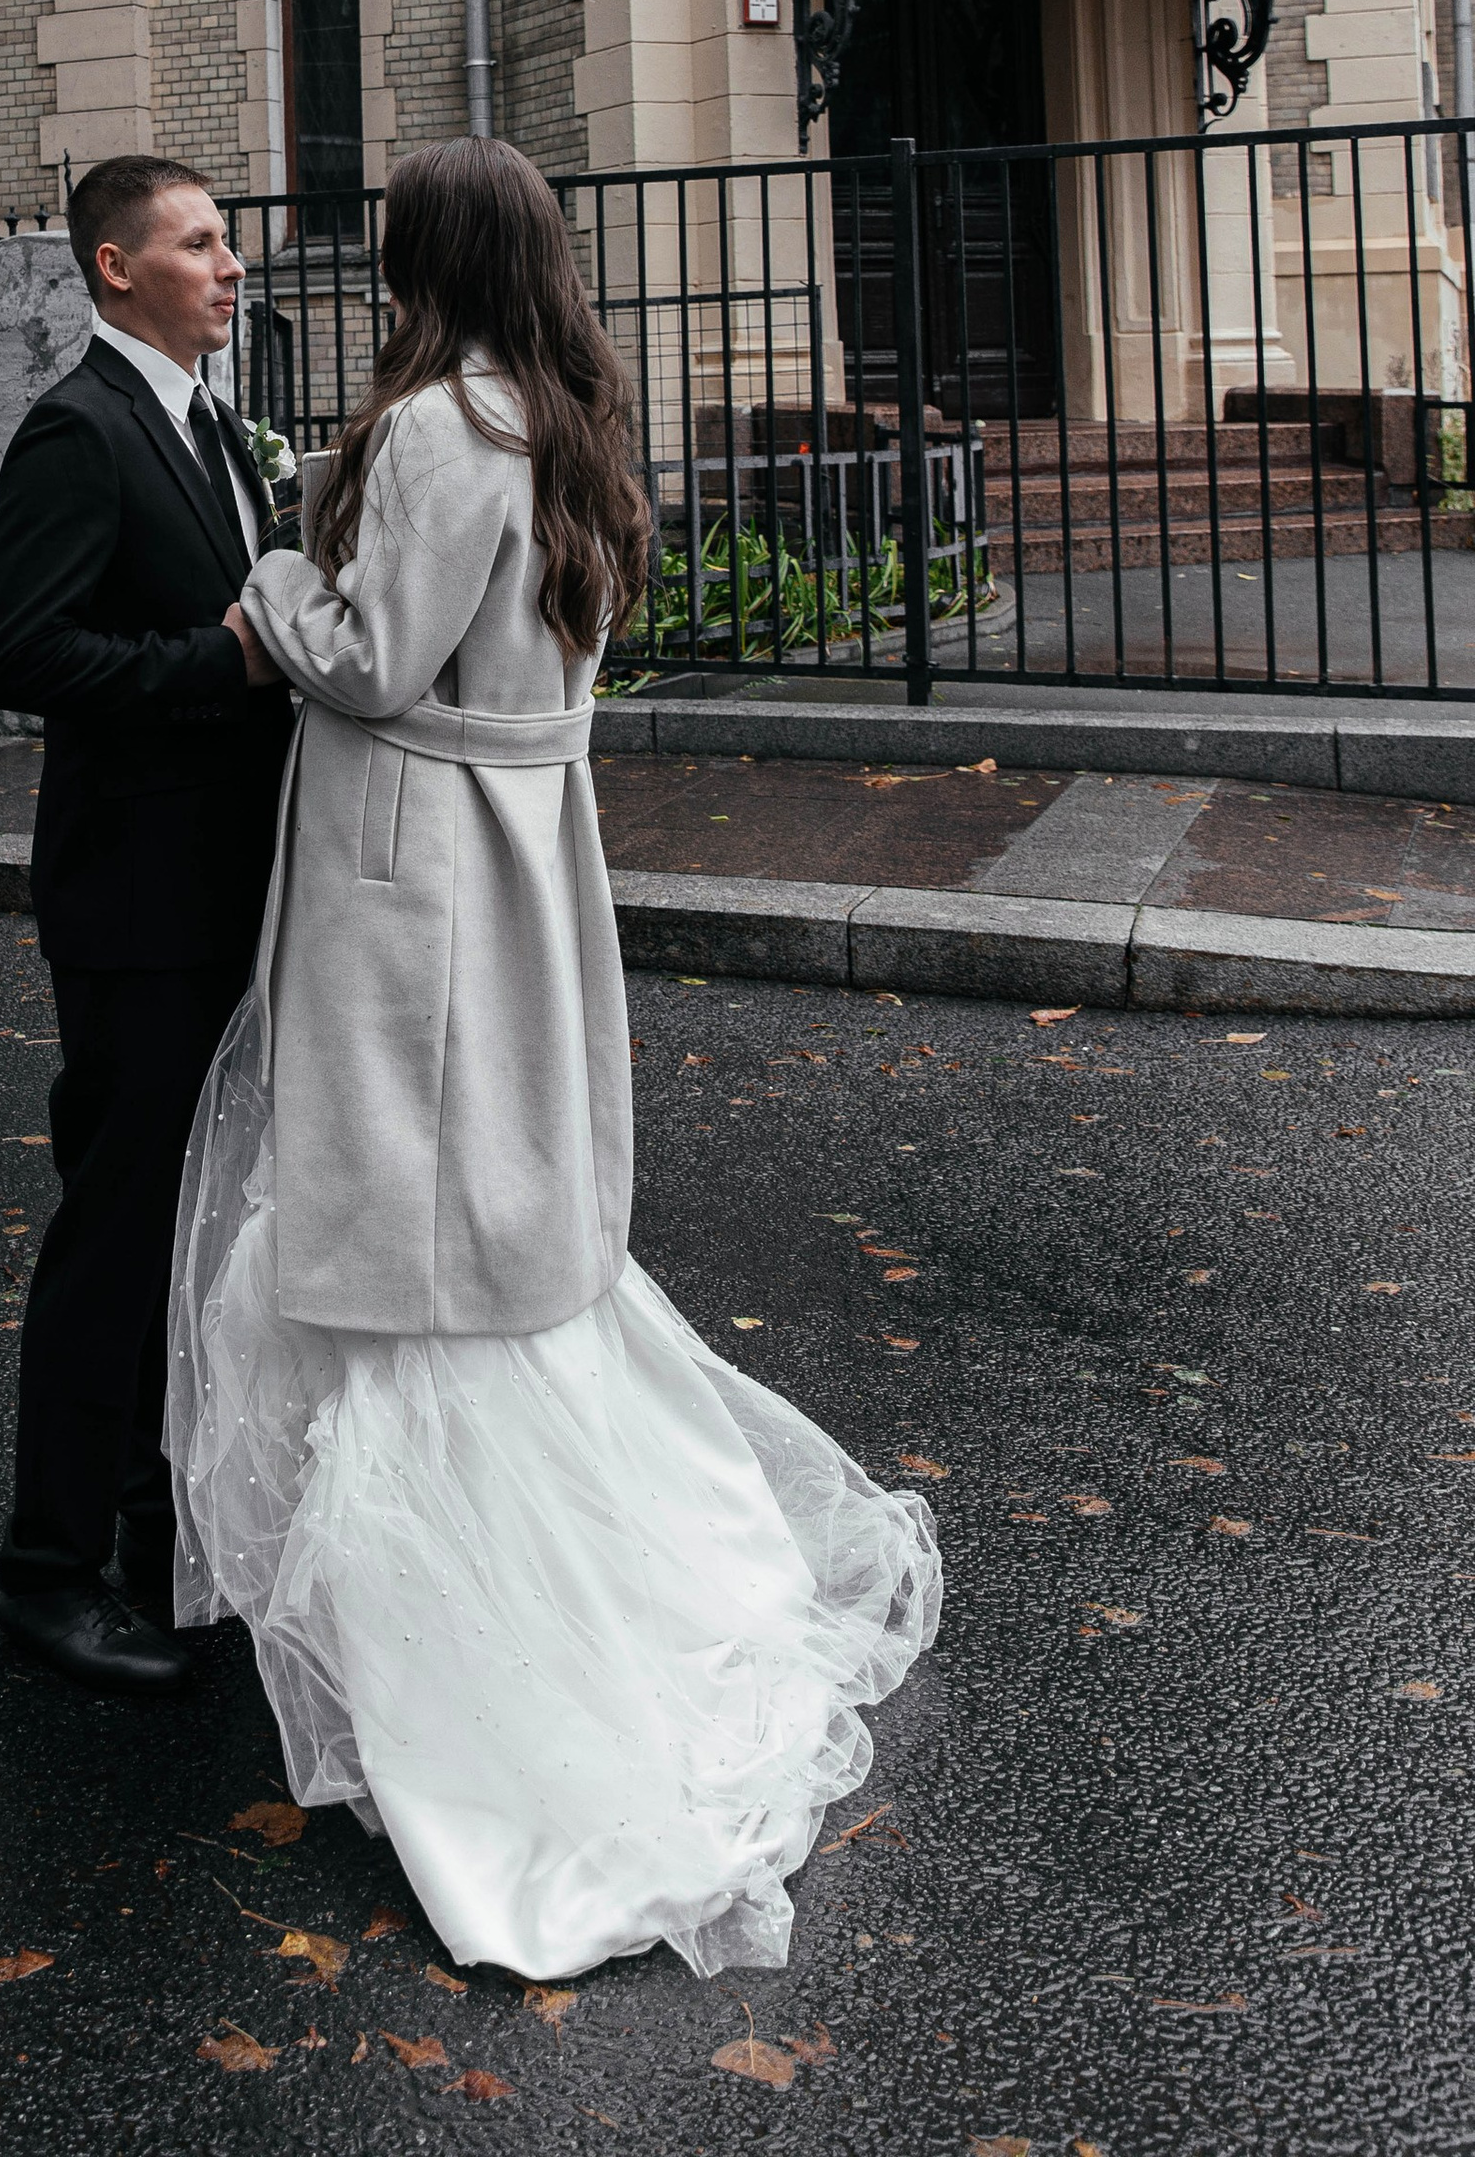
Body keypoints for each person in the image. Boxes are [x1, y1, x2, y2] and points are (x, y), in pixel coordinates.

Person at [169, 135, 941, 1978]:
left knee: (410, 1228)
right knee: (485, 1217)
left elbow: (370, 659)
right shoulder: (565, 415)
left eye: (389, 247)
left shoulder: (446, 424)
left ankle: (481, 1661)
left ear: (431, 257)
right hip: (516, 853)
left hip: (422, 870)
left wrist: (276, 579)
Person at [0, 154, 292, 1695]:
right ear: (116, 269)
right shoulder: (77, 429)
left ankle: (160, 1532)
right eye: (201, 245)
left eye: (230, 245)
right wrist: (213, 666)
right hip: (132, 903)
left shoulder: (217, 424)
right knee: (117, 1236)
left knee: (193, 1231)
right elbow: (23, 656)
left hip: (229, 893)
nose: (233, 268)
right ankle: (49, 1575)